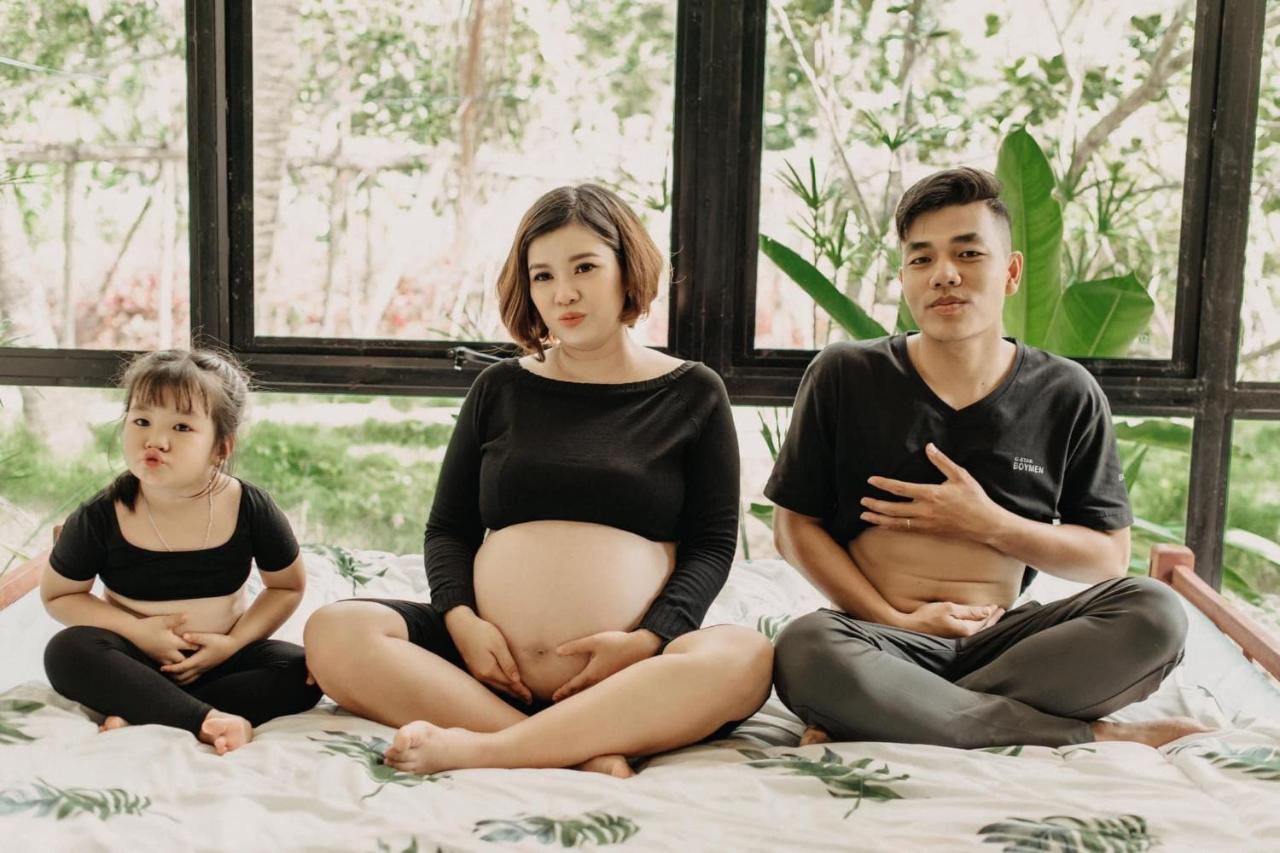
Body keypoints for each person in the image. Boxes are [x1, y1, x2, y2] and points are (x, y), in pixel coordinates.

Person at [304, 183, 772, 776]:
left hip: (627, 675)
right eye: (543, 276)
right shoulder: (499, 389)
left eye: (585, 267)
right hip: (483, 671)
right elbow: (449, 528)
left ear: (627, 271)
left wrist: (650, 639)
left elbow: (711, 544)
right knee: (336, 630)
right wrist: (462, 622)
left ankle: (492, 751)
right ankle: (572, 748)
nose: (564, 293)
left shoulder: (693, 391)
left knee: (747, 656)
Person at [767, 167, 1210, 749]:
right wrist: (894, 621)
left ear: (1011, 271)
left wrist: (989, 524)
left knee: (1156, 614)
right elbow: (793, 527)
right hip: (877, 633)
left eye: (968, 254)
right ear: (904, 278)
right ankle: (1088, 735)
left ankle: (888, 709)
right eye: (921, 259)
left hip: (1004, 639)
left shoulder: (1066, 393)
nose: (944, 275)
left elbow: (1106, 557)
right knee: (804, 648)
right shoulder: (845, 374)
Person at [41, 349, 321, 754]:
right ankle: (201, 718)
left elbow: (287, 587)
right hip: (133, 659)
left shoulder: (249, 506)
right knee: (67, 651)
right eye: (141, 421)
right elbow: (59, 594)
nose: (156, 440)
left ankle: (144, 711)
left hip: (220, 657)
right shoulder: (102, 515)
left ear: (221, 447)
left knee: (304, 670)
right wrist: (138, 631)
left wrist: (233, 643)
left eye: (182, 427)